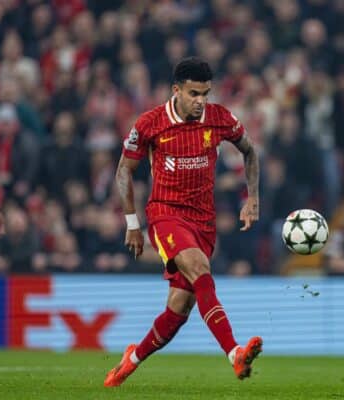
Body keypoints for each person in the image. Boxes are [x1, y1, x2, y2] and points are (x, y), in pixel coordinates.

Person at [104, 57, 262, 387]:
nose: (200, 101)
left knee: (178, 310)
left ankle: (130, 360)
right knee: (200, 269)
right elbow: (124, 170)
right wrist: (132, 223)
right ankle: (234, 353)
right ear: (176, 90)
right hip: (166, 214)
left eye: (205, 93)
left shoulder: (220, 119)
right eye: (193, 94)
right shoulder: (150, 123)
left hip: (204, 221)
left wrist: (253, 198)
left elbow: (250, 152)